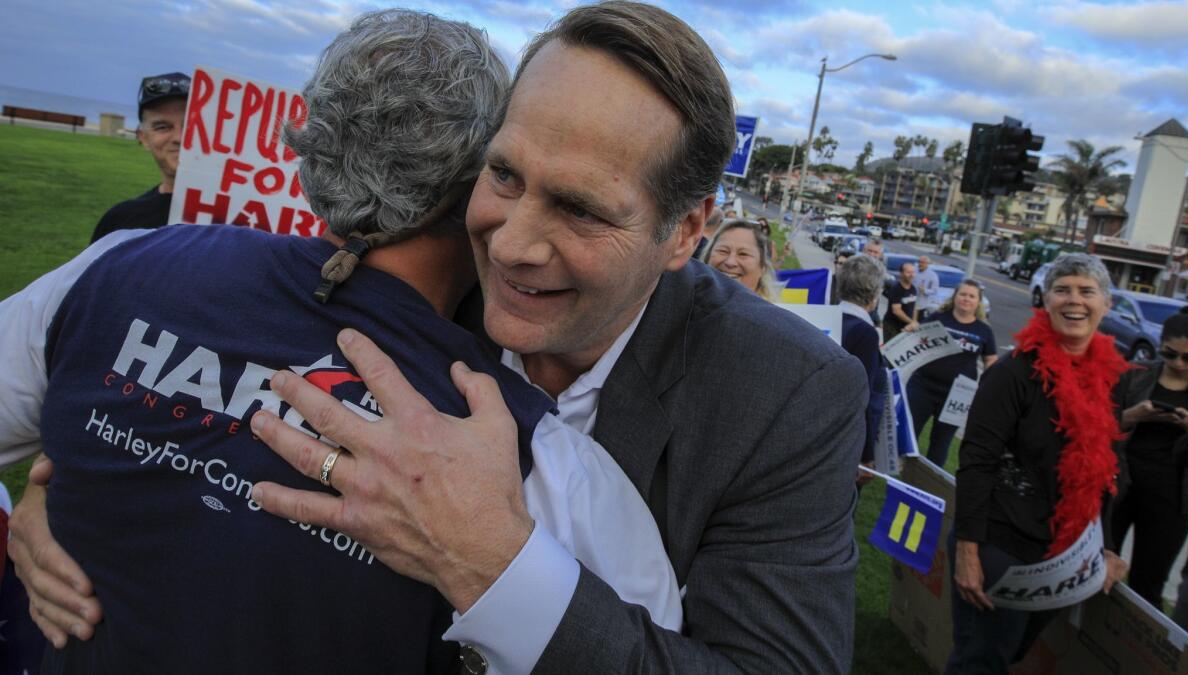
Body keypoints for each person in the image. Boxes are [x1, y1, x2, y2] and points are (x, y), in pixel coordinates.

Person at [1, 10, 680, 672]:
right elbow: (648, 645)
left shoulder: (115, 266)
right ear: (483, 177)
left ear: (314, 140)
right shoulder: (531, 454)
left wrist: (44, 489)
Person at [248, 3, 866, 672]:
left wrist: (496, 567)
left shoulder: (790, 391)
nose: (509, 244)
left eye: (580, 208)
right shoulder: (425, 271)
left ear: (686, 231)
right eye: (505, 174)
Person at [949, 253, 1130, 671]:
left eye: (1087, 291)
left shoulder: (1108, 378)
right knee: (981, 661)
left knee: (1012, 655)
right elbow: (976, 461)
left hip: (1063, 555)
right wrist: (968, 551)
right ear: (1045, 301)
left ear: (1106, 305)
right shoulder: (1013, 372)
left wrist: (1105, 546)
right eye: (1062, 289)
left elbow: (1106, 468)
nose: (1075, 300)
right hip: (999, 545)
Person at [1110, 309, 1188, 610]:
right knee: (1096, 570)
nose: (1178, 364)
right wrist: (1133, 415)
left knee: (1148, 585)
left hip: (1172, 498)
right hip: (1119, 486)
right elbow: (1097, 428)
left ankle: (1133, 653)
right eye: (1170, 354)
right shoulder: (1135, 374)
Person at [905, 280, 997, 467]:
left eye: (972, 296)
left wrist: (987, 389)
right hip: (923, 386)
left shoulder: (984, 330)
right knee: (908, 435)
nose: (966, 299)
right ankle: (902, 479)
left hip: (958, 394)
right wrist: (911, 332)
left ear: (978, 302)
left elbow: (990, 360)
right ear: (955, 297)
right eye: (963, 294)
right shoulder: (938, 318)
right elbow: (916, 342)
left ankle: (929, 485)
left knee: (941, 443)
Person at [89, 72, 190, 243]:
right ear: (143, 138)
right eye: (163, 127)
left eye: (191, 125)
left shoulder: (245, 218)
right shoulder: (120, 223)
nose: (179, 138)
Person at [837, 255, 888, 484]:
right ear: (875, 295)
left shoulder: (828, 319)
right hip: (846, 448)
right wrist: (866, 456)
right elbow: (861, 398)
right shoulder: (865, 333)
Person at [701, 219, 778, 300]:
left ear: (762, 268)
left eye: (743, 254)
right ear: (707, 257)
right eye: (723, 251)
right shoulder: (688, 305)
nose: (730, 262)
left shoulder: (768, 312)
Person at [883, 261, 919, 341]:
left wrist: (914, 321)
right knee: (891, 351)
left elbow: (914, 307)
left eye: (913, 272)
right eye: (908, 272)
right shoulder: (896, 288)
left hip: (906, 325)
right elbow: (896, 311)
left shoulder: (913, 288)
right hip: (892, 326)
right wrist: (911, 322)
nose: (911, 275)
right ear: (901, 274)